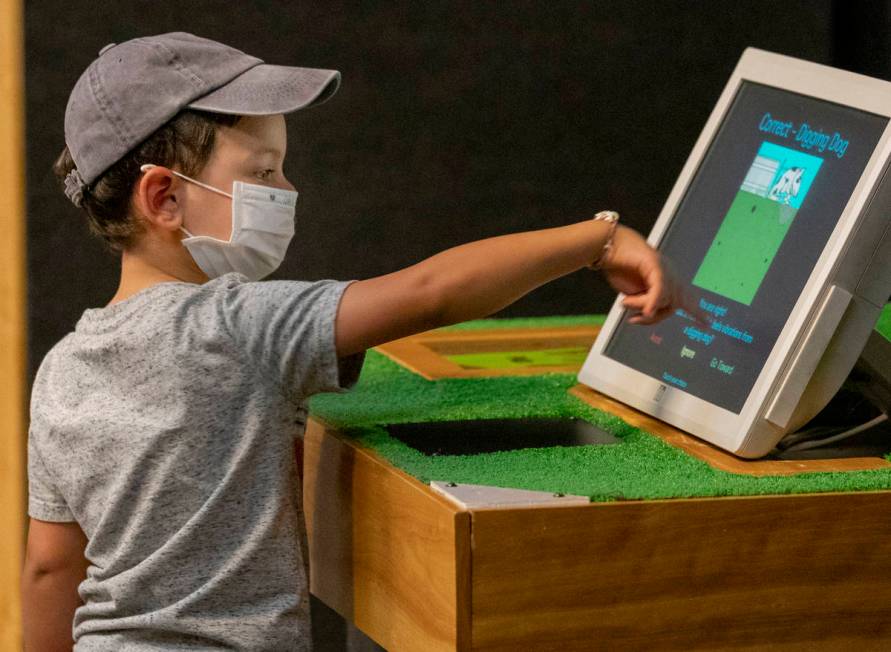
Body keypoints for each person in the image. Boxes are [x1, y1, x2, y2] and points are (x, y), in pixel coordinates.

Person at [21, 32, 705, 651]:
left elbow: (50, 566)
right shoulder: (235, 325)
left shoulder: (60, 370)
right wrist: (598, 240)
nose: (286, 189)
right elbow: (430, 291)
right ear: (164, 197)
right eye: (263, 172)